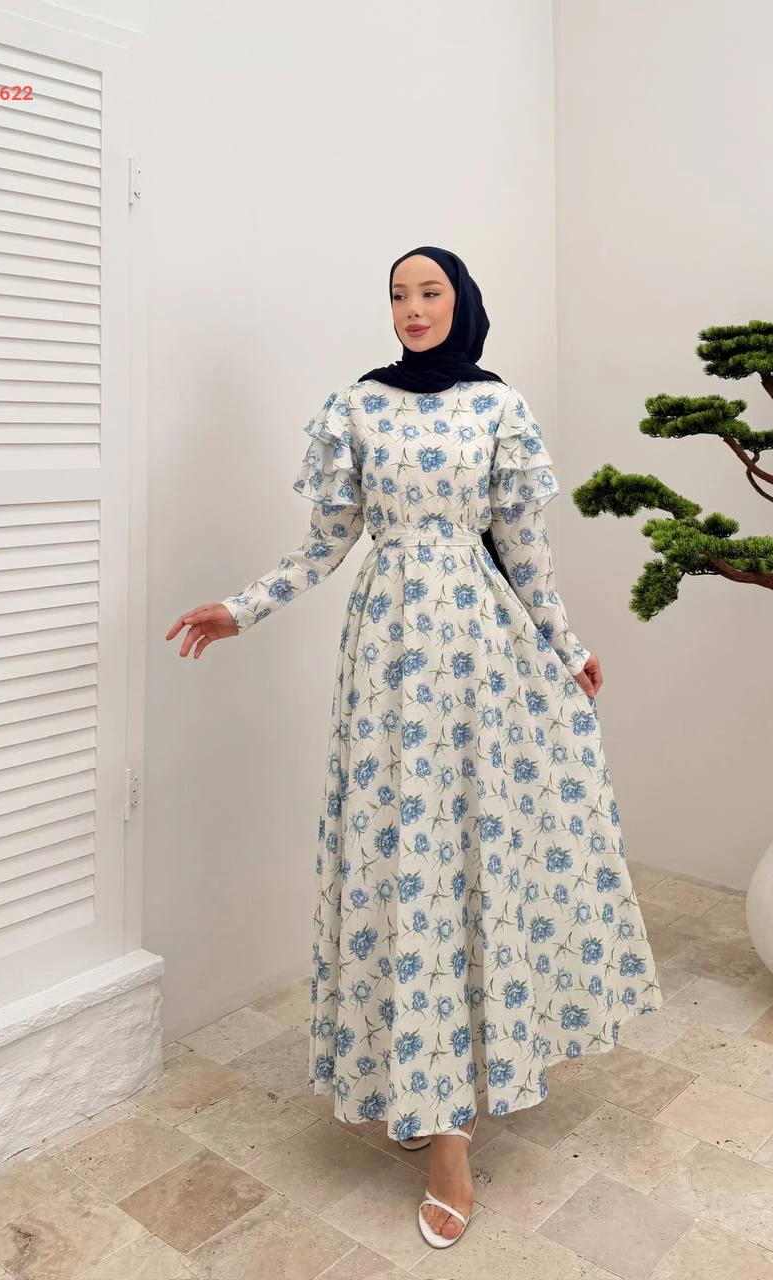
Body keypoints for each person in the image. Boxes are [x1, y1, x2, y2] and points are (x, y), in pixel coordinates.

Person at [166, 246, 663, 1248]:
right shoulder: (358, 407)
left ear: (461, 301)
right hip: (388, 664)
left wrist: (568, 646)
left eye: (429, 291)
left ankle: (462, 1100)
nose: (412, 307)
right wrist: (240, 608)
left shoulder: (497, 407)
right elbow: (324, 544)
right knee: (408, 869)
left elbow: (524, 551)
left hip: (482, 654)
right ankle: (429, 1090)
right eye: (398, 294)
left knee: (475, 861)